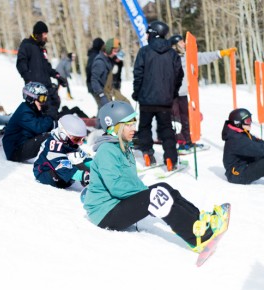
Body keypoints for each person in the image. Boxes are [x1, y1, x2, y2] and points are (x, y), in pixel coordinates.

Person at [83, 100, 229, 253]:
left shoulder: (123, 147)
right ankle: (199, 238)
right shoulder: (107, 151)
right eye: (129, 124)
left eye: (134, 123)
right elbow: (116, 187)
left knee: (163, 188)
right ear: (115, 128)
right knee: (155, 196)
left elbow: (130, 182)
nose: (134, 128)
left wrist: (146, 194)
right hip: (105, 213)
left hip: (115, 205)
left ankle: (199, 220)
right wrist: (147, 197)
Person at [170, 34, 237, 152]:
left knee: (187, 119)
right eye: (181, 42)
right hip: (172, 95)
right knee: (177, 121)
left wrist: (221, 53)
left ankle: (189, 142)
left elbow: (204, 56)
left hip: (184, 94)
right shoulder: (168, 58)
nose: (184, 44)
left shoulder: (188, 56)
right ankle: (180, 144)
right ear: (175, 45)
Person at [132, 21, 183, 170]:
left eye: (148, 32)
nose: (147, 35)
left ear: (154, 33)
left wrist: (137, 92)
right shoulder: (173, 54)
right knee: (166, 129)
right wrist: (172, 93)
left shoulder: (144, 52)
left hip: (146, 100)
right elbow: (179, 75)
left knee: (145, 127)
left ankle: (147, 153)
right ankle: (170, 159)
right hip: (165, 101)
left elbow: (138, 75)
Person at [16, 21, 67, 120]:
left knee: (55, 104)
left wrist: (57, 76)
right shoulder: (27, 45)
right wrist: (28, 79)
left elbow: (47, 67)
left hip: (48, 87)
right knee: (47, 113)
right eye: (44, 34)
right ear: (37, 34)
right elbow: (21, 63)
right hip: (36, 89)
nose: (46, 37)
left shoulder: (41, 49)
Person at [33, 114, 91, 188]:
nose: (80, 143)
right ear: (63, 134)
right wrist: (83, 176)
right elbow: (62, 166)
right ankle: (87, 179)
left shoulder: (69, 142)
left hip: (62, 174)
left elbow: (84, 158)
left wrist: (97, 164)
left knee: (77, 157)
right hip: (44, 174)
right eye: (77, 139)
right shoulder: (53, 144)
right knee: (73, 158)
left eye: (82, 139)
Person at [3, 82, 55, 162]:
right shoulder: (24, 112)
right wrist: (50, 116)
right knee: (49, 136)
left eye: (44, 98)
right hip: (15, 151)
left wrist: (50, 116)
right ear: (31, 98)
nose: (43, 102)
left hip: (22, 144)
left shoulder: (32, 109)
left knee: (53, 134)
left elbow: (44, 124)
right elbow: (40, 128)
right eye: (41, 98)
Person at [222, 108, 264, 184]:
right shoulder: (236, 139)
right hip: (237, 174)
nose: (250, 122)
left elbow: (258, 142)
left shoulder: (241, 133)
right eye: (247, 121)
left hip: (244, 164)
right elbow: (258, 149)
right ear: (237, 123)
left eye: (250, 119)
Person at [91, 38, 122, 110]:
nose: (115, 53)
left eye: (116, 51)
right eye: (114, 51)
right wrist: (101, 94)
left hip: (108, 91)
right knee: (105, 112)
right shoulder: (100, 62)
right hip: (102, 92)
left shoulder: (108, 59)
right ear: (108, 49)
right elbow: (94, 80)